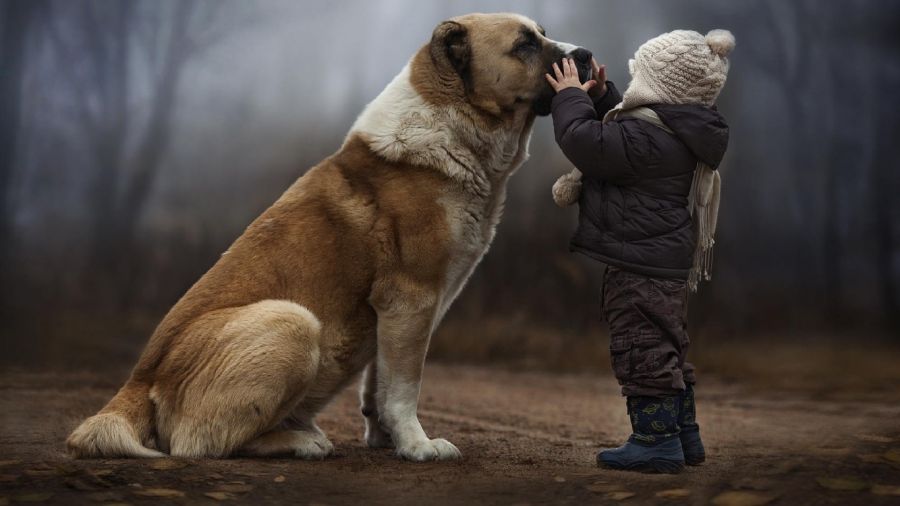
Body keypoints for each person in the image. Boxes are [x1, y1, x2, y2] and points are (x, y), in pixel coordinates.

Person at [544, 29, 734, 473]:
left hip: (639, 265)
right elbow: (623, 131)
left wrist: (569, 97)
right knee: (666, 345)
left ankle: (654, 442)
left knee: (641, 346)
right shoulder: (674, 130)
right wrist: (601, 96)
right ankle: (683, 435)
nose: (632, 86)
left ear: (660, 86)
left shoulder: (648, 141)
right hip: (661, 261)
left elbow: (584, 141)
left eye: (638, 77)